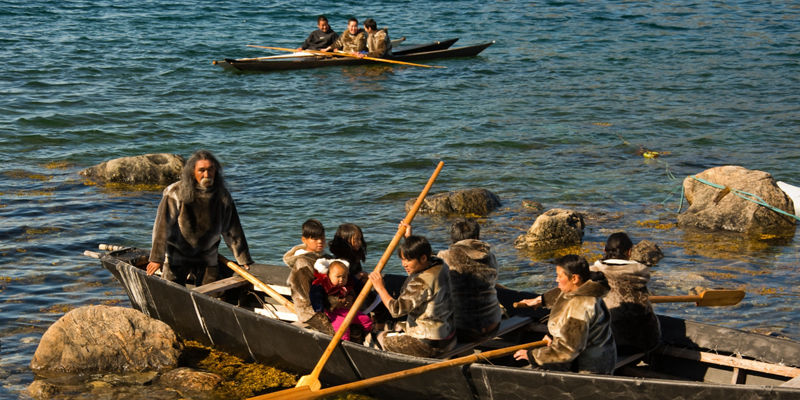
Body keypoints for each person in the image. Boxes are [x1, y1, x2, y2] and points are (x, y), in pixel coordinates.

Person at [147, 150, 252, 286]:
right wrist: (157, 258)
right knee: (171, 290)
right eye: (201, 170)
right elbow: (162, 227)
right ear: (192, 172)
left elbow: (233, 230)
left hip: (207, 256)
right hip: (177, 255)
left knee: (211, 292)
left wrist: (243, 258)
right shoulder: (175, 192)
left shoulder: (222, 195)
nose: (206, 175)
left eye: (210, 170)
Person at [513, 255, 616, 374]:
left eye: (559, 276)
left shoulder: (581, 306)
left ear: (574, 278)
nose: (556, 280)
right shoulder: (581, 289)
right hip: (593, 357)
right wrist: (552, 335)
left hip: (588, 369)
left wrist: (532, 356)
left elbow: (568, 350)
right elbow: (561, 294)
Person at [368, 235, 456, 357]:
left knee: (372, 337)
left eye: (408, 260)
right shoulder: (441, 264)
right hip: (448, 335)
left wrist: (380, 287)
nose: (404, 264)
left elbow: (396, 310)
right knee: (390, 325)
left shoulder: (421, 282)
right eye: (402, 259)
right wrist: (408, 238)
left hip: (428, 344)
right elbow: (425, 254)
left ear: (423, 258)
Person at [590, 232, 661, 355]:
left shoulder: (594, 274)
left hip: (611, 342)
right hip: (646, 341)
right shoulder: (640, 274)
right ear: (629, 252)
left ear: (604, 250)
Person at [436, 218, 502, 342]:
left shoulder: (446, 256)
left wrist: (409, 238)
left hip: (464, 330)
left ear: (453, 238)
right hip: (493, 326)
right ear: (476, 237)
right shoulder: (490, 256)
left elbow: (426, 273)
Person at [283, 219, 333, 334]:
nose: (320, 241)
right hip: (310, 311)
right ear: (304, 240)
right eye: (315, 239)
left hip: (327, 303)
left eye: (322, 237)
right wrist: (332, 303)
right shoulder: (302, 262)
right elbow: (307, 294)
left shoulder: (327, 258)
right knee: (335, 330)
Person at [309, 259, 373, 342]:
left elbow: (358, 285)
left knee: (366, 319)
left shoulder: (349, 281)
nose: (341, 279)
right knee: (342, 327)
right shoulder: (322, 283)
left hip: (346, 310)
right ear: (329, 275)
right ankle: (345, 343)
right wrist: (319, 308)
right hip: (332, 312)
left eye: (344, 277)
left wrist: (366, 287)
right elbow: (315, 295)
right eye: (338, 277)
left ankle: (367, 335)